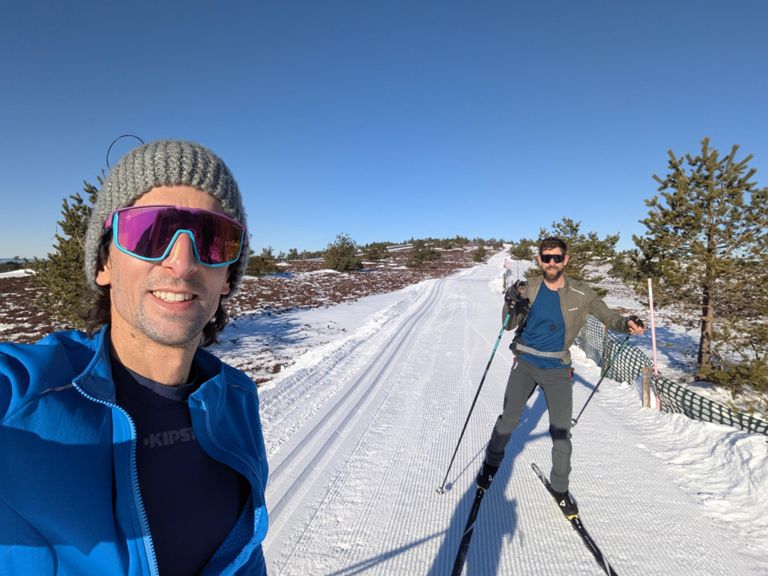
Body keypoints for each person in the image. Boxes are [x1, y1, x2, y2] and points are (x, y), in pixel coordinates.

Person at [0, 140, 269, 574]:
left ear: (226, 278)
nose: (182, 263)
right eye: (151, 231)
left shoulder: (237, 399)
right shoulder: (21, 394)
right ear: (104, 263)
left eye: (213, 240)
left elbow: (247, 556)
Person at [476, 237, 645, 517]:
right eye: (546, 258)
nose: (551, 262)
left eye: (557, 257)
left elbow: (608, 317)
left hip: (558, 368)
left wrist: (627, 323)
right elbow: (508, 325)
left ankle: (560, 488)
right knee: (508, 420)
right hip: (526, 362)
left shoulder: (581, 293)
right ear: (539, 260)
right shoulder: (528, 287)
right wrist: (510, 302)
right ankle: (490, 465)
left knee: (561, 433)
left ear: (565, 260)